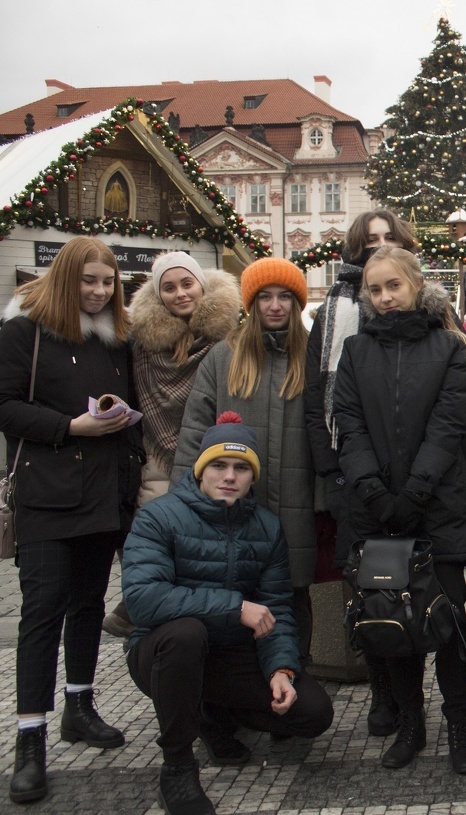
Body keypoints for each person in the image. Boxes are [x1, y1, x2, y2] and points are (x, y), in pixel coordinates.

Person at [123, 413, 334, 815]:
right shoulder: (158, 517)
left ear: (252, 477)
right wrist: (234, 607)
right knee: (185, 634)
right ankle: (178, 768)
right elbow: (144, 600)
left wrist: (281, 670)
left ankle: (212, 713)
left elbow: (277, 611)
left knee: (312, 713)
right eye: (219, 465)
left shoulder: (266, 527)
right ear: (201, 470)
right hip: (163, 653)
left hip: (230, 657)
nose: (229, 476)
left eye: (241, 468)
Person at [330, 247, 466, 774]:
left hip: (439, 506)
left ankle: (460, 727)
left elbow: (450, 423)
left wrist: (416, 491)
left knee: (449, 627)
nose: (384, 297)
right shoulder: (355, 351)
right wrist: (375, 493)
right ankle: (410, 726)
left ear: (416, 285)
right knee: (393, 621)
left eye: (393, 286)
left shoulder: (450, 346)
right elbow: (348, 424)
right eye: (374, 290)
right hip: (378, 511)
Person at [0, 236, 143, 804]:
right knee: (42, 611)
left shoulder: (117, 339)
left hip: (105, 491)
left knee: (88, 603)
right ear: (65, 279)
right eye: (88, 281)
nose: (99, 291)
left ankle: (80, 706)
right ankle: (29, 739)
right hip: (47, 493)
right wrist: (69, 427)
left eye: (107, 282)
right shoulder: (24, 332)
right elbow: (4, 404)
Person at [303, 209, 417, 737]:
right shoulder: (334, 313)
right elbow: (317, 399)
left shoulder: (426, 308)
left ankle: (413, 697)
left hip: (413, 475)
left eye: (388, 238)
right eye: (368, 240)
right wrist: (334, 468)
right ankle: (381, 692)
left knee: (415, 589)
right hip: (354, 474)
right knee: (365, 588)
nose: (378, 245)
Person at [172, 258, 316, 659]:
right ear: (250, 304)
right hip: (229, 507)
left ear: (296, 303)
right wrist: (184, 504)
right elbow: (194, 435)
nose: (274, 306)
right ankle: (234, 696)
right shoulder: (222, 357)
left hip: (296, 505)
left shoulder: (311, 356)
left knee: (291, 597)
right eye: (265, 297)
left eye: (284, 297)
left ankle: (289, 679)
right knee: (230, 597)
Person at [102, 251, 242, 639]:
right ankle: (148, 618)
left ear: (201, 285)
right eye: (169, 287)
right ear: (157, 293)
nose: (180, 294)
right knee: (159, 534)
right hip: (158, 455)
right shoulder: (141, 341)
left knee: (209, 545)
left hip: (217, 451)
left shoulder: (228, 333)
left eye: (187, 284)